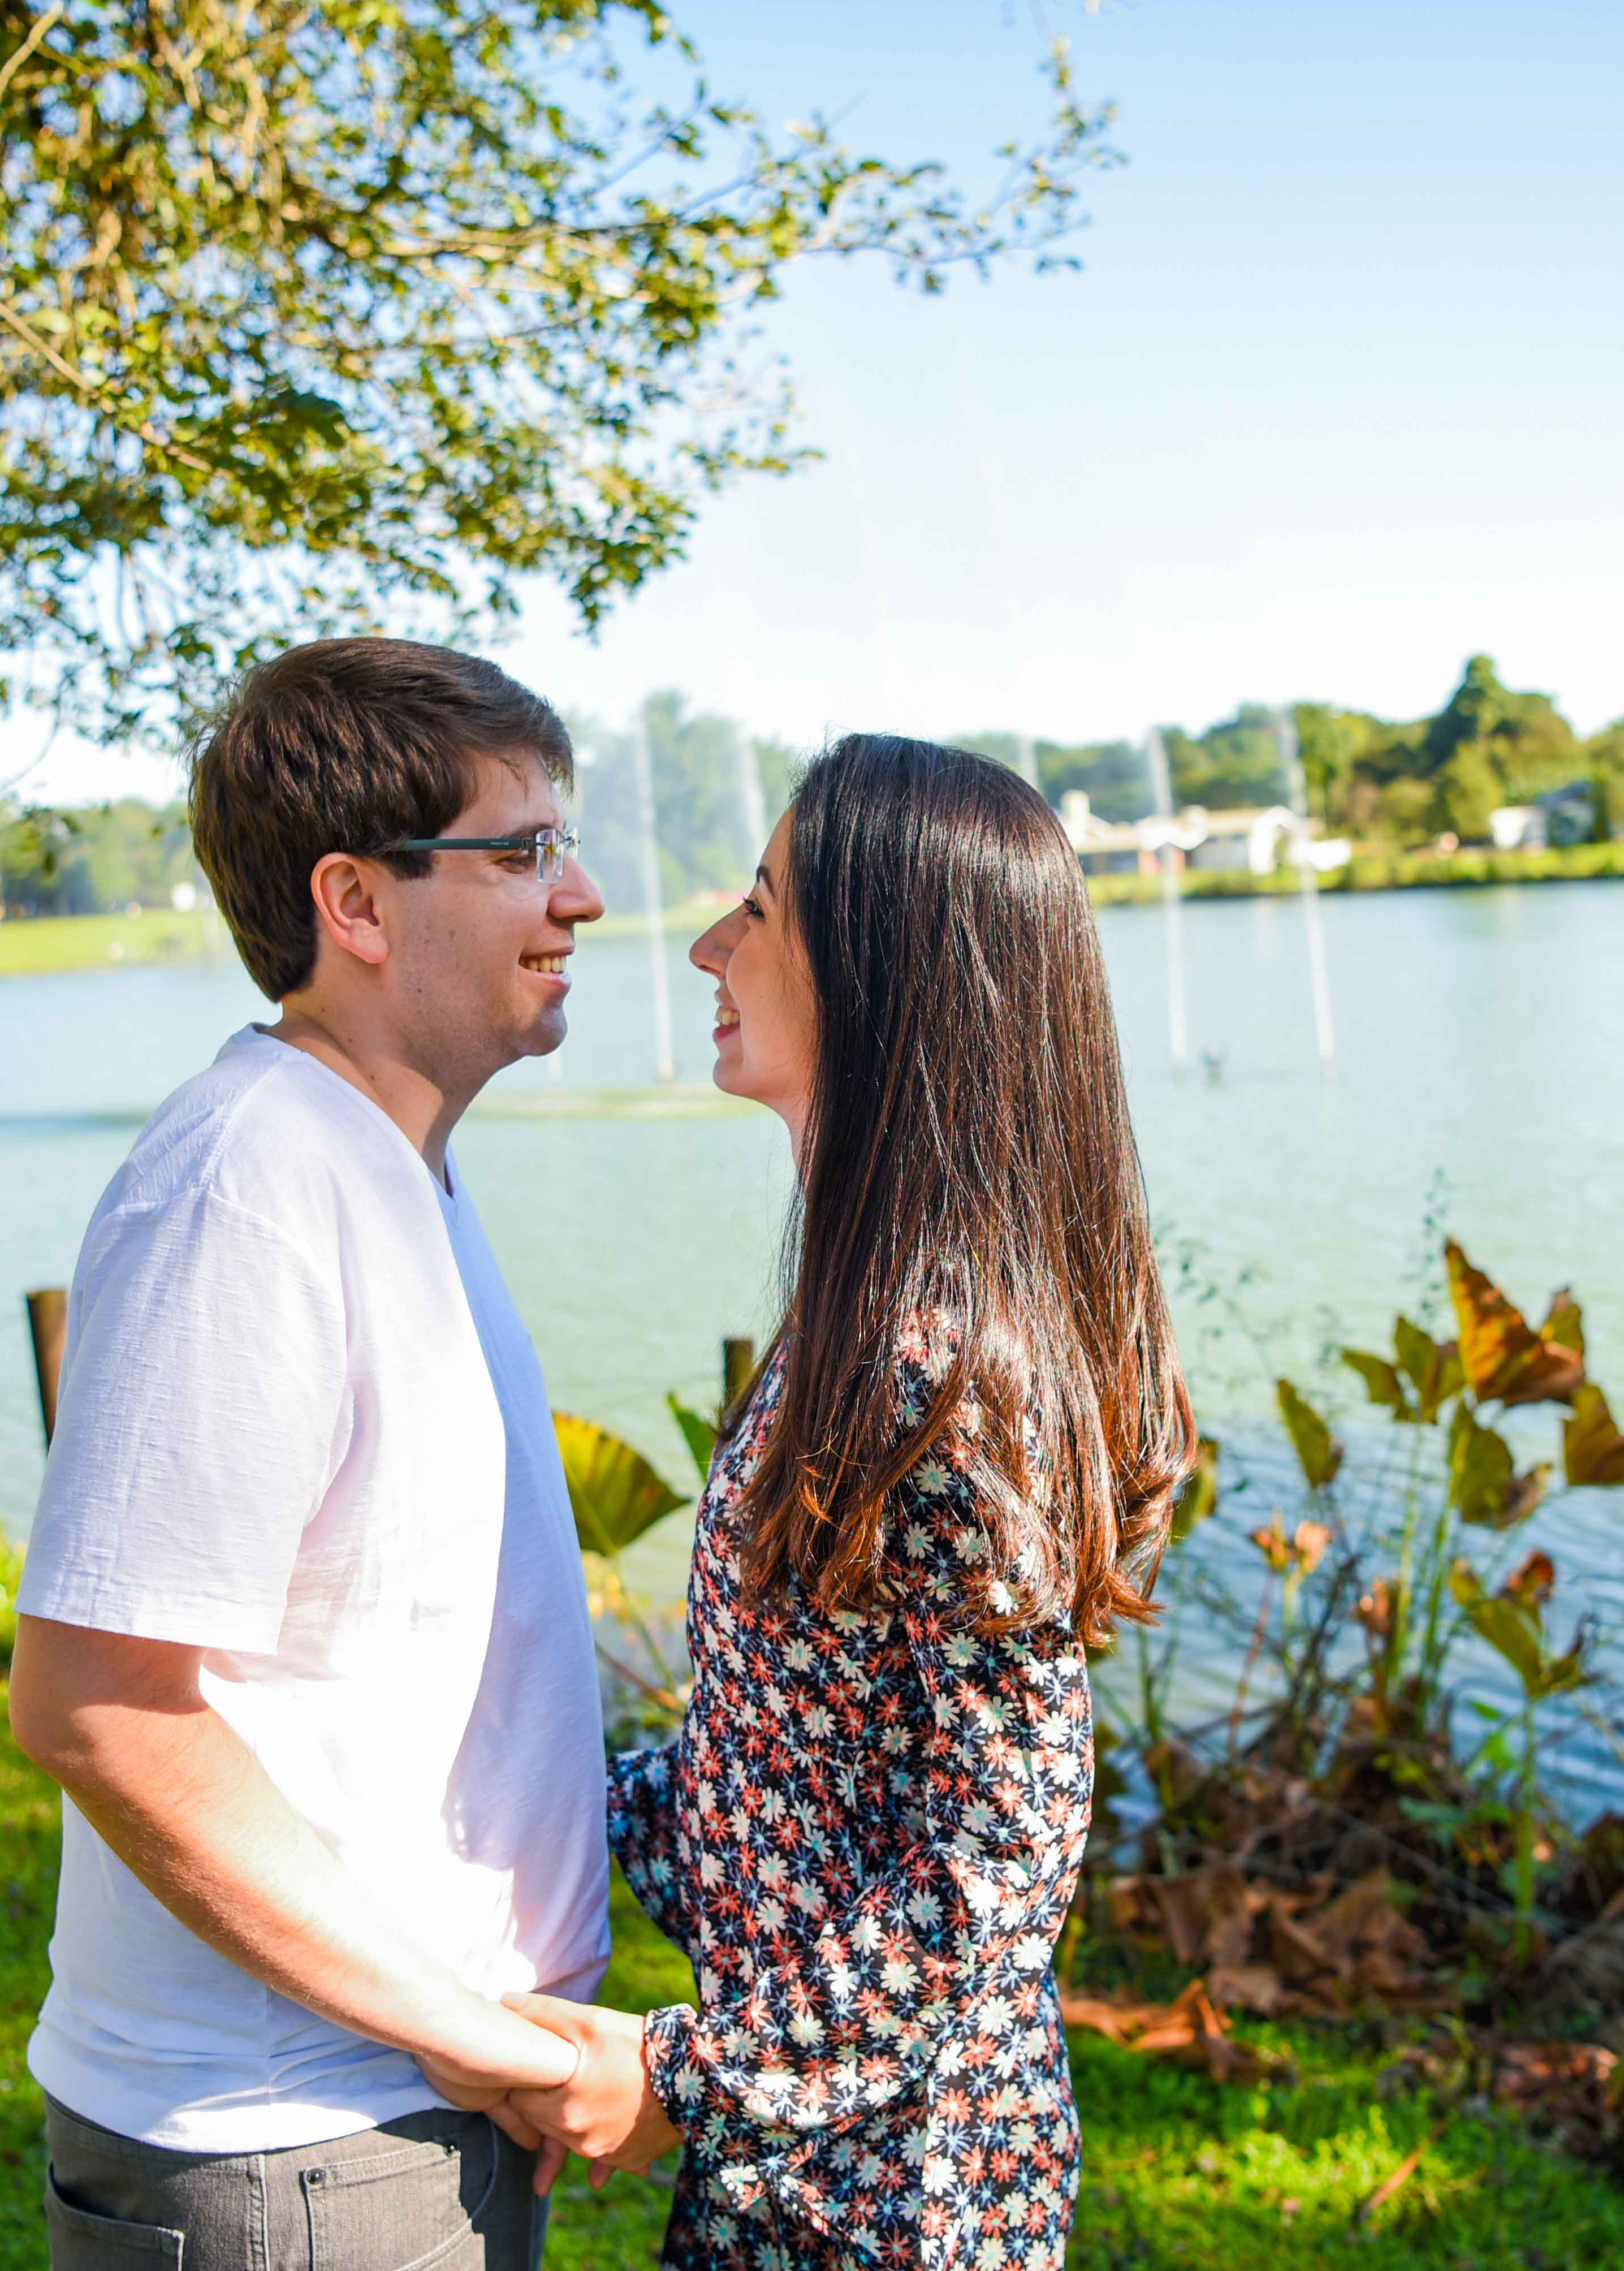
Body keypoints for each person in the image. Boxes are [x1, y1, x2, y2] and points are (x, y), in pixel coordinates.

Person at [503, 735, 1195, 2268]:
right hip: (818, 2177)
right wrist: (524, 1803)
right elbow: (796, 1782)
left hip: (900, 2201)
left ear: (882, 978)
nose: (708, 947)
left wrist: (688, 2080)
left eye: (760, 909)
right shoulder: (863, 1327)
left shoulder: (931, 1371)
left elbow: (997, 1859)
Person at [7, 637, 611, 2271]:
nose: (578, 897)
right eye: (523, 852)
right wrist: (469, 2033)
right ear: (357, 904)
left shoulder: (383, 1161)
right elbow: (97, 1706)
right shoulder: (250, 1183)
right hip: (297, 2149)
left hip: (394, 2115)